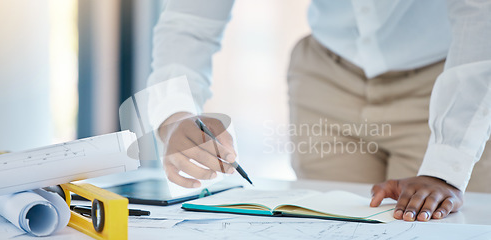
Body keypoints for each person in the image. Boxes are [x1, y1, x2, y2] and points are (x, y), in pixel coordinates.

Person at [147, 0, 491, 221]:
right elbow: (189, 21)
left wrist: (447, 164)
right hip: (325, 78)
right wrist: (176, 114)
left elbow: (481, 16)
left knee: (433, 228)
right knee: (326, 228)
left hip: (451, 81)